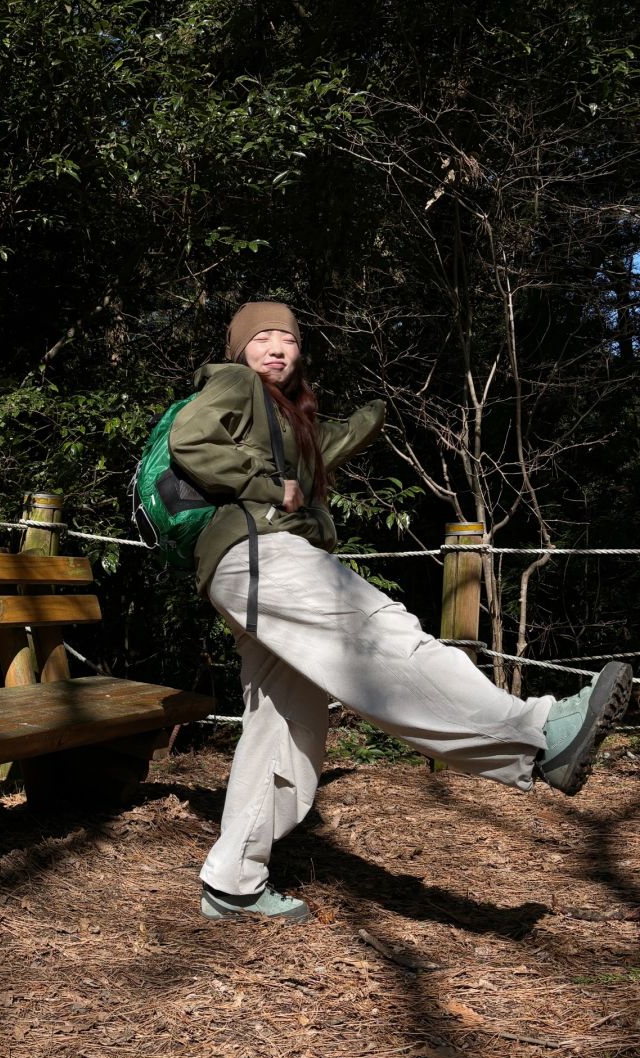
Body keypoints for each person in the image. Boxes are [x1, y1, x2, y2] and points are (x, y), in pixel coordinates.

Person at [168, 301, 633, 923]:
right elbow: (190, 438)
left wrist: (386, 411)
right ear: (239, 349)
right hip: (259, 552)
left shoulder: (288, 420)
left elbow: (335, 443)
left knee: (284, 721)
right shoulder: (234, 382)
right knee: (375, 635)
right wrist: (266, 485)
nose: (276, 348)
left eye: (288, 339)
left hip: (241, 569)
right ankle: (537, 734)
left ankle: (232, 881)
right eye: (263, 339)